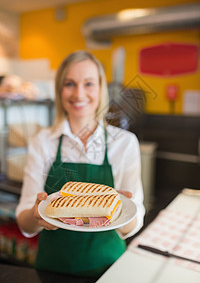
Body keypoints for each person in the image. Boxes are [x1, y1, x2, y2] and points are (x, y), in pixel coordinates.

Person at [16, 50, 145, 278]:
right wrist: (37, 214)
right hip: (53, 268)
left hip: (109, 268)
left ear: (100, 89)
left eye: (88, 83)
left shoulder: (124, 143)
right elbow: (25, 224)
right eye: (70, 84)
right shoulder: (42, 142)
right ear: (59, 89)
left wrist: (123, 210)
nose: (79, 93)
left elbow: (133, 224)